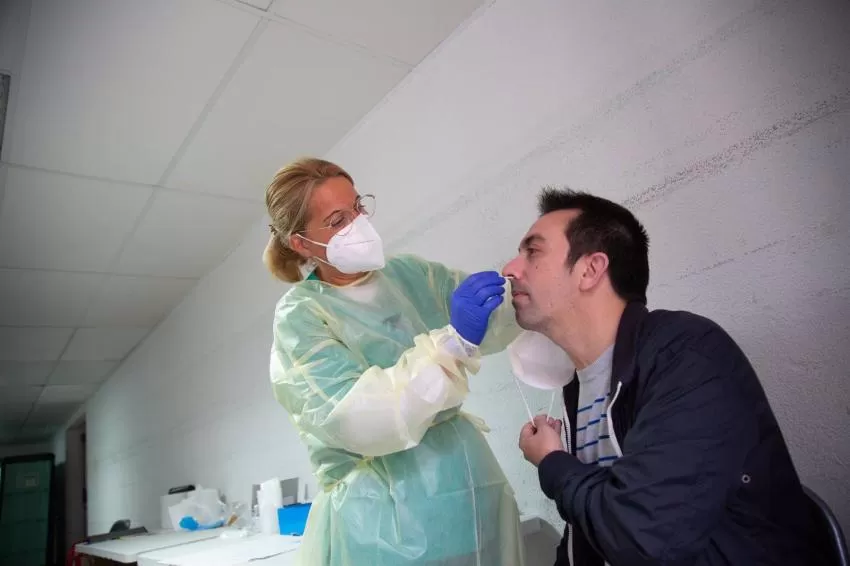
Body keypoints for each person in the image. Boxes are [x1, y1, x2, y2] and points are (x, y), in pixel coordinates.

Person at [502, 187, 825, 565]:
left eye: (533, 251)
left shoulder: (688, 354)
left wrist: (553, 461)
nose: (510, 269)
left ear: (590, 270)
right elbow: (587, 535)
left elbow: (643, 539)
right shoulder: (579, 385)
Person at [263, 157, 526, 566]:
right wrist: (453, 344)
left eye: (358, 208)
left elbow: (493, 320)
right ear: (301, 243)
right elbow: (358, 419)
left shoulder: (409, 275)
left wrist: (528, 294)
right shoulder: (301, 316)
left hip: (468, 489)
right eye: (337, 221)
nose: (357, 225)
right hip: (382, 524)